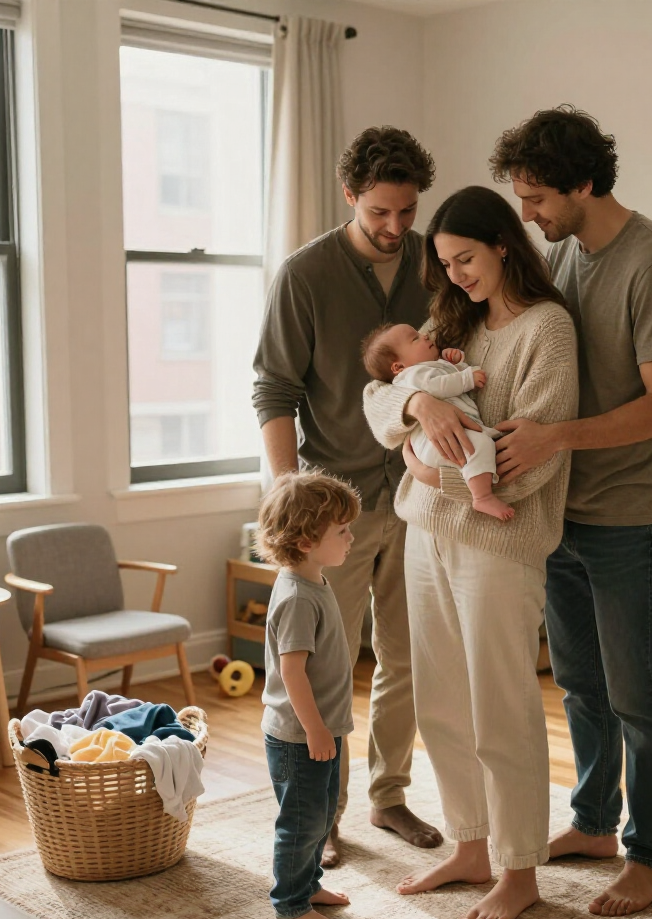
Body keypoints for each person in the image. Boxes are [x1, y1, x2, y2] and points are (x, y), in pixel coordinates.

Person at [486, 105, 652, 917]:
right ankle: (593, 822)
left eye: (537, 198)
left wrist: (552, 440)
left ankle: (650, 855)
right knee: (577, 681)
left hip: (631, 517)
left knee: (638, 693)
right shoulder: (568, 253)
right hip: (564, 515)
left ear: (583, 183)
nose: (530, 216)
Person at [363, 185, 578, 919]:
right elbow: (379, 397)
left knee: (501, 706)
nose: (454, 275)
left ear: (504, 246)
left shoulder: (547, 330)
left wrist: (431, 471)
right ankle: (471, 844)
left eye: (465, 259)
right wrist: (418, 406)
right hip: (425, 534)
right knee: (441, 702)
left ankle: (520, 869)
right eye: (445, 263)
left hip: (501, 541)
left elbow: (536, 458)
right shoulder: (450, 321)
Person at [253, 126, 443, 867]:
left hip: (423, 496)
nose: (396, 228)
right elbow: (274, 385)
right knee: (325, 664)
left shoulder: (433, 262)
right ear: (350, 197)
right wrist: (289, 489)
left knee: (407, 657)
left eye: (406, 211)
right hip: (336, 508)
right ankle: (319, 809)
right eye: (380, 214)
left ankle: (388, 795)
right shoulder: (305, 274)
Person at [256, 471, 361, 919]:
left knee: (321, 814)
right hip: (301, 735)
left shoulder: (312, 579)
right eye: (341, 531)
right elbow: (292, 672)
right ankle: (290, 906)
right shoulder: (298, 597)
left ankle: (308, 885)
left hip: (320, 727)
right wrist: (317, 730)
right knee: (300, 822)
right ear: (304, 541)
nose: (350, 537)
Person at [360, 324, 512, 520]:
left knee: (482, 446)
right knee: (479, 447)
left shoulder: (428, 366)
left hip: (442, 440)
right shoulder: (412, 376)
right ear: (398, 367)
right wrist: (466, 378)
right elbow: (438, 386)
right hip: (432, 442)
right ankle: (482, 496)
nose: (424, 335)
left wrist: (456, 363)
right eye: (415, 338)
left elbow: (454, 379)